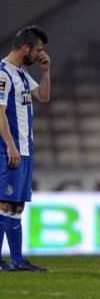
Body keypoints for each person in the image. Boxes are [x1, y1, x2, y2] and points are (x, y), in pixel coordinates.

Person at [0, 26, 51, 272]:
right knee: (3, 203)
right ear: (25, 49)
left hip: (24, 149)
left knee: (16, 206)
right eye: (38, 49)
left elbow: (43, 96)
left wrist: (46, 72)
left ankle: (17, 260)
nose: (39, 54)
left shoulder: (20, 74)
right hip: (8, 148)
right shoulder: (2, 75)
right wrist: (10, 146)